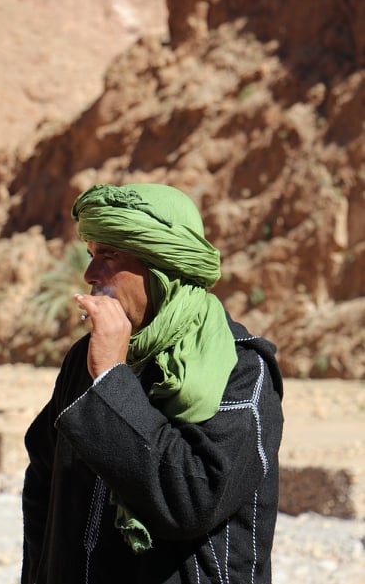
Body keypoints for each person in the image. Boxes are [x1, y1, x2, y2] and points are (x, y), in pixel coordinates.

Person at [21, 183, 283, 584]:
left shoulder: (241, 370)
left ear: (163, 266)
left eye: (109, 255)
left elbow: (191, 502)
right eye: (92, 255)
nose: (90, 274)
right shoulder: (86, 356)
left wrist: (111, 380)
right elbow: (44, 481)